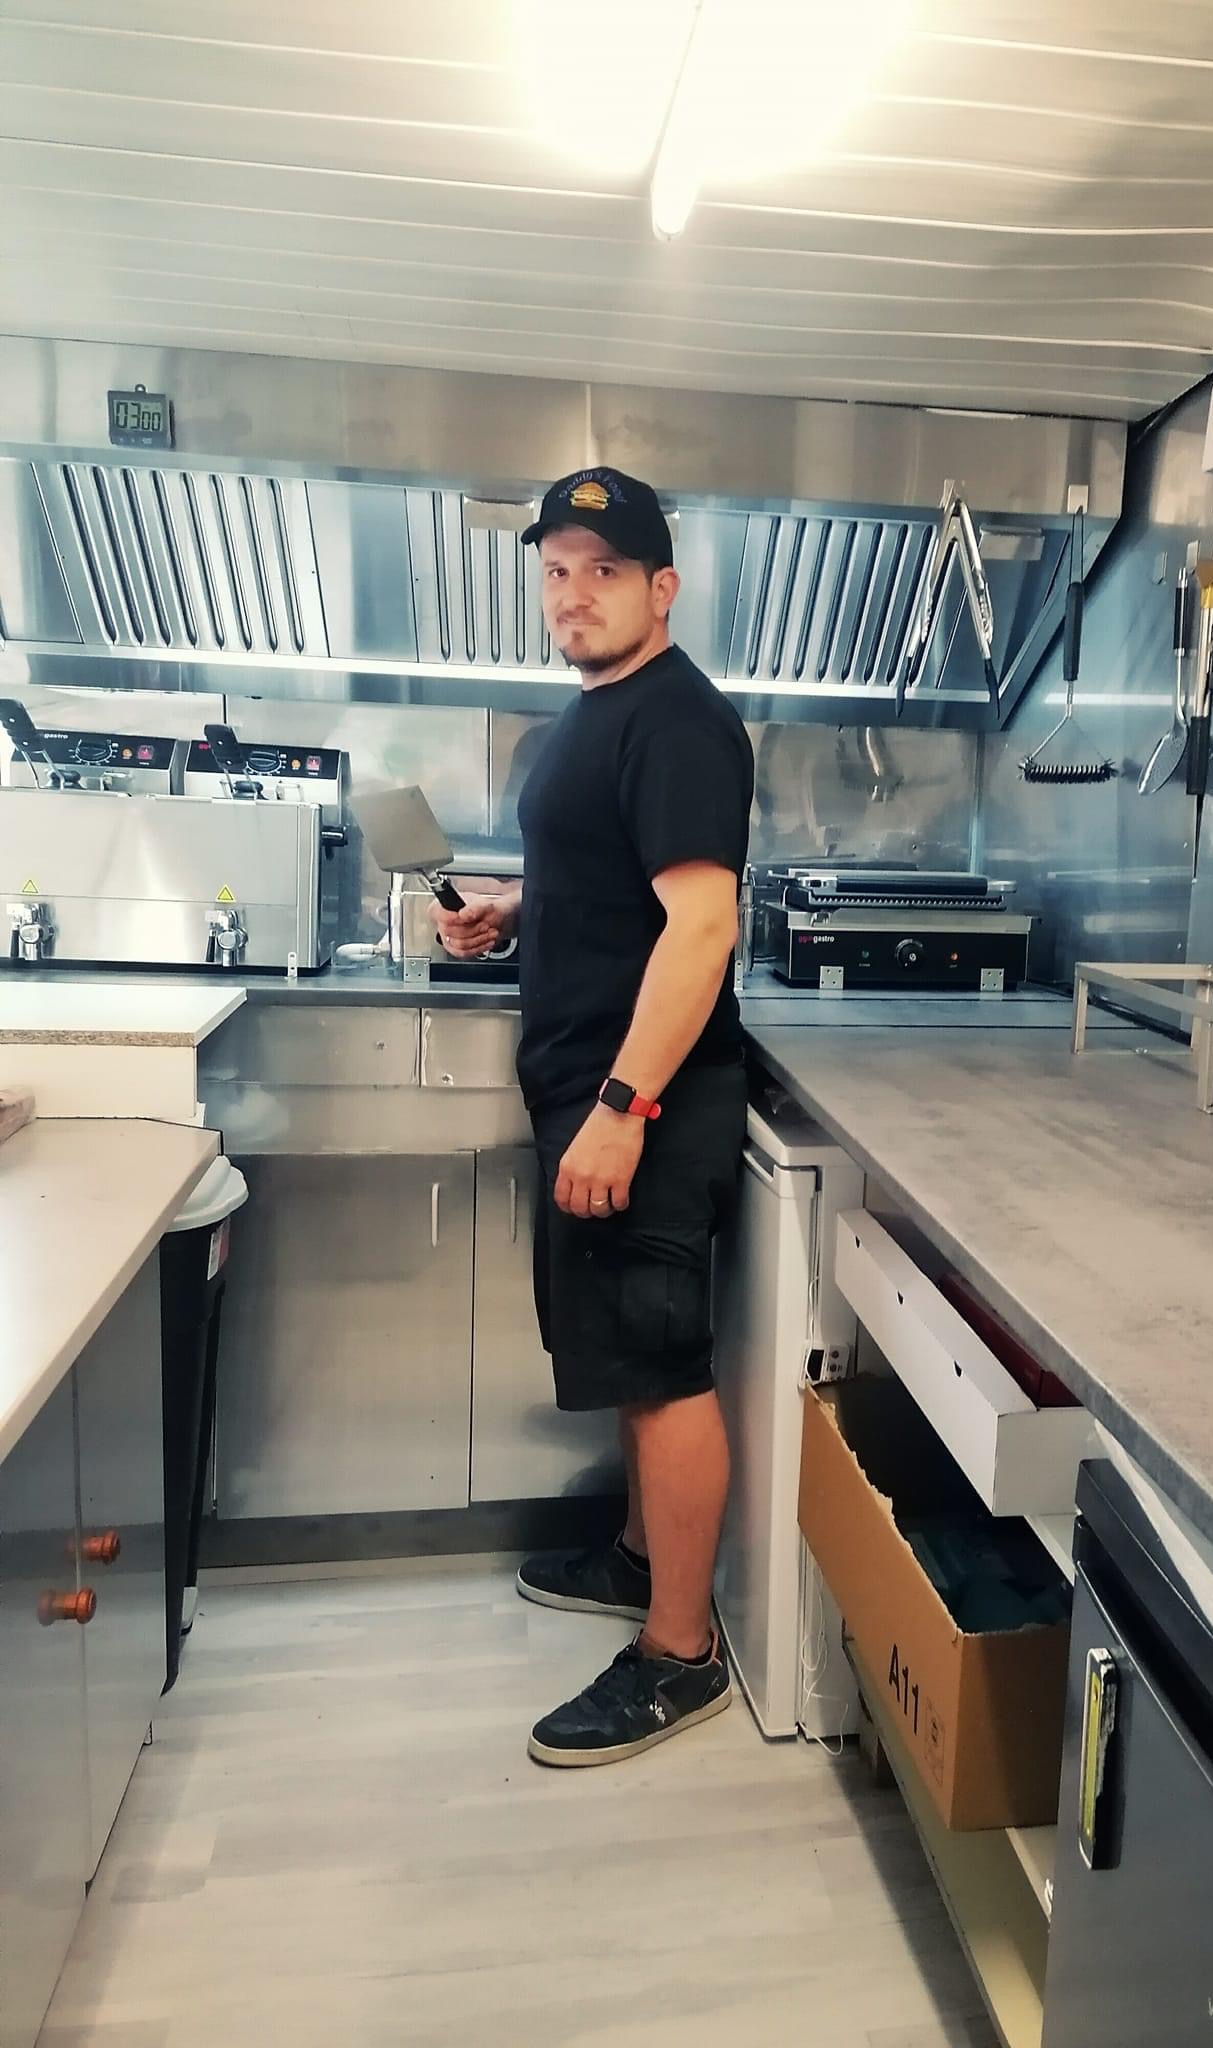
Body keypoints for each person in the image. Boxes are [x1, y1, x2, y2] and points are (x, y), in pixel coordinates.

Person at [433, 466, 753, 1768]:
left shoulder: (678, 721)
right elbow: (612, 872)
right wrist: (514, 907)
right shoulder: (598, 715)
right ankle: (636, 1557)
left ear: (661, 588)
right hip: (592, 1083)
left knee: (662, 1371)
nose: (573, 594)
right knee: (626, 1351)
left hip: (642, 1099)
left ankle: (683, 1653)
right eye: (557, 571)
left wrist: (624, 1107)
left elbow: (703, 925)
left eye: (604, 570)